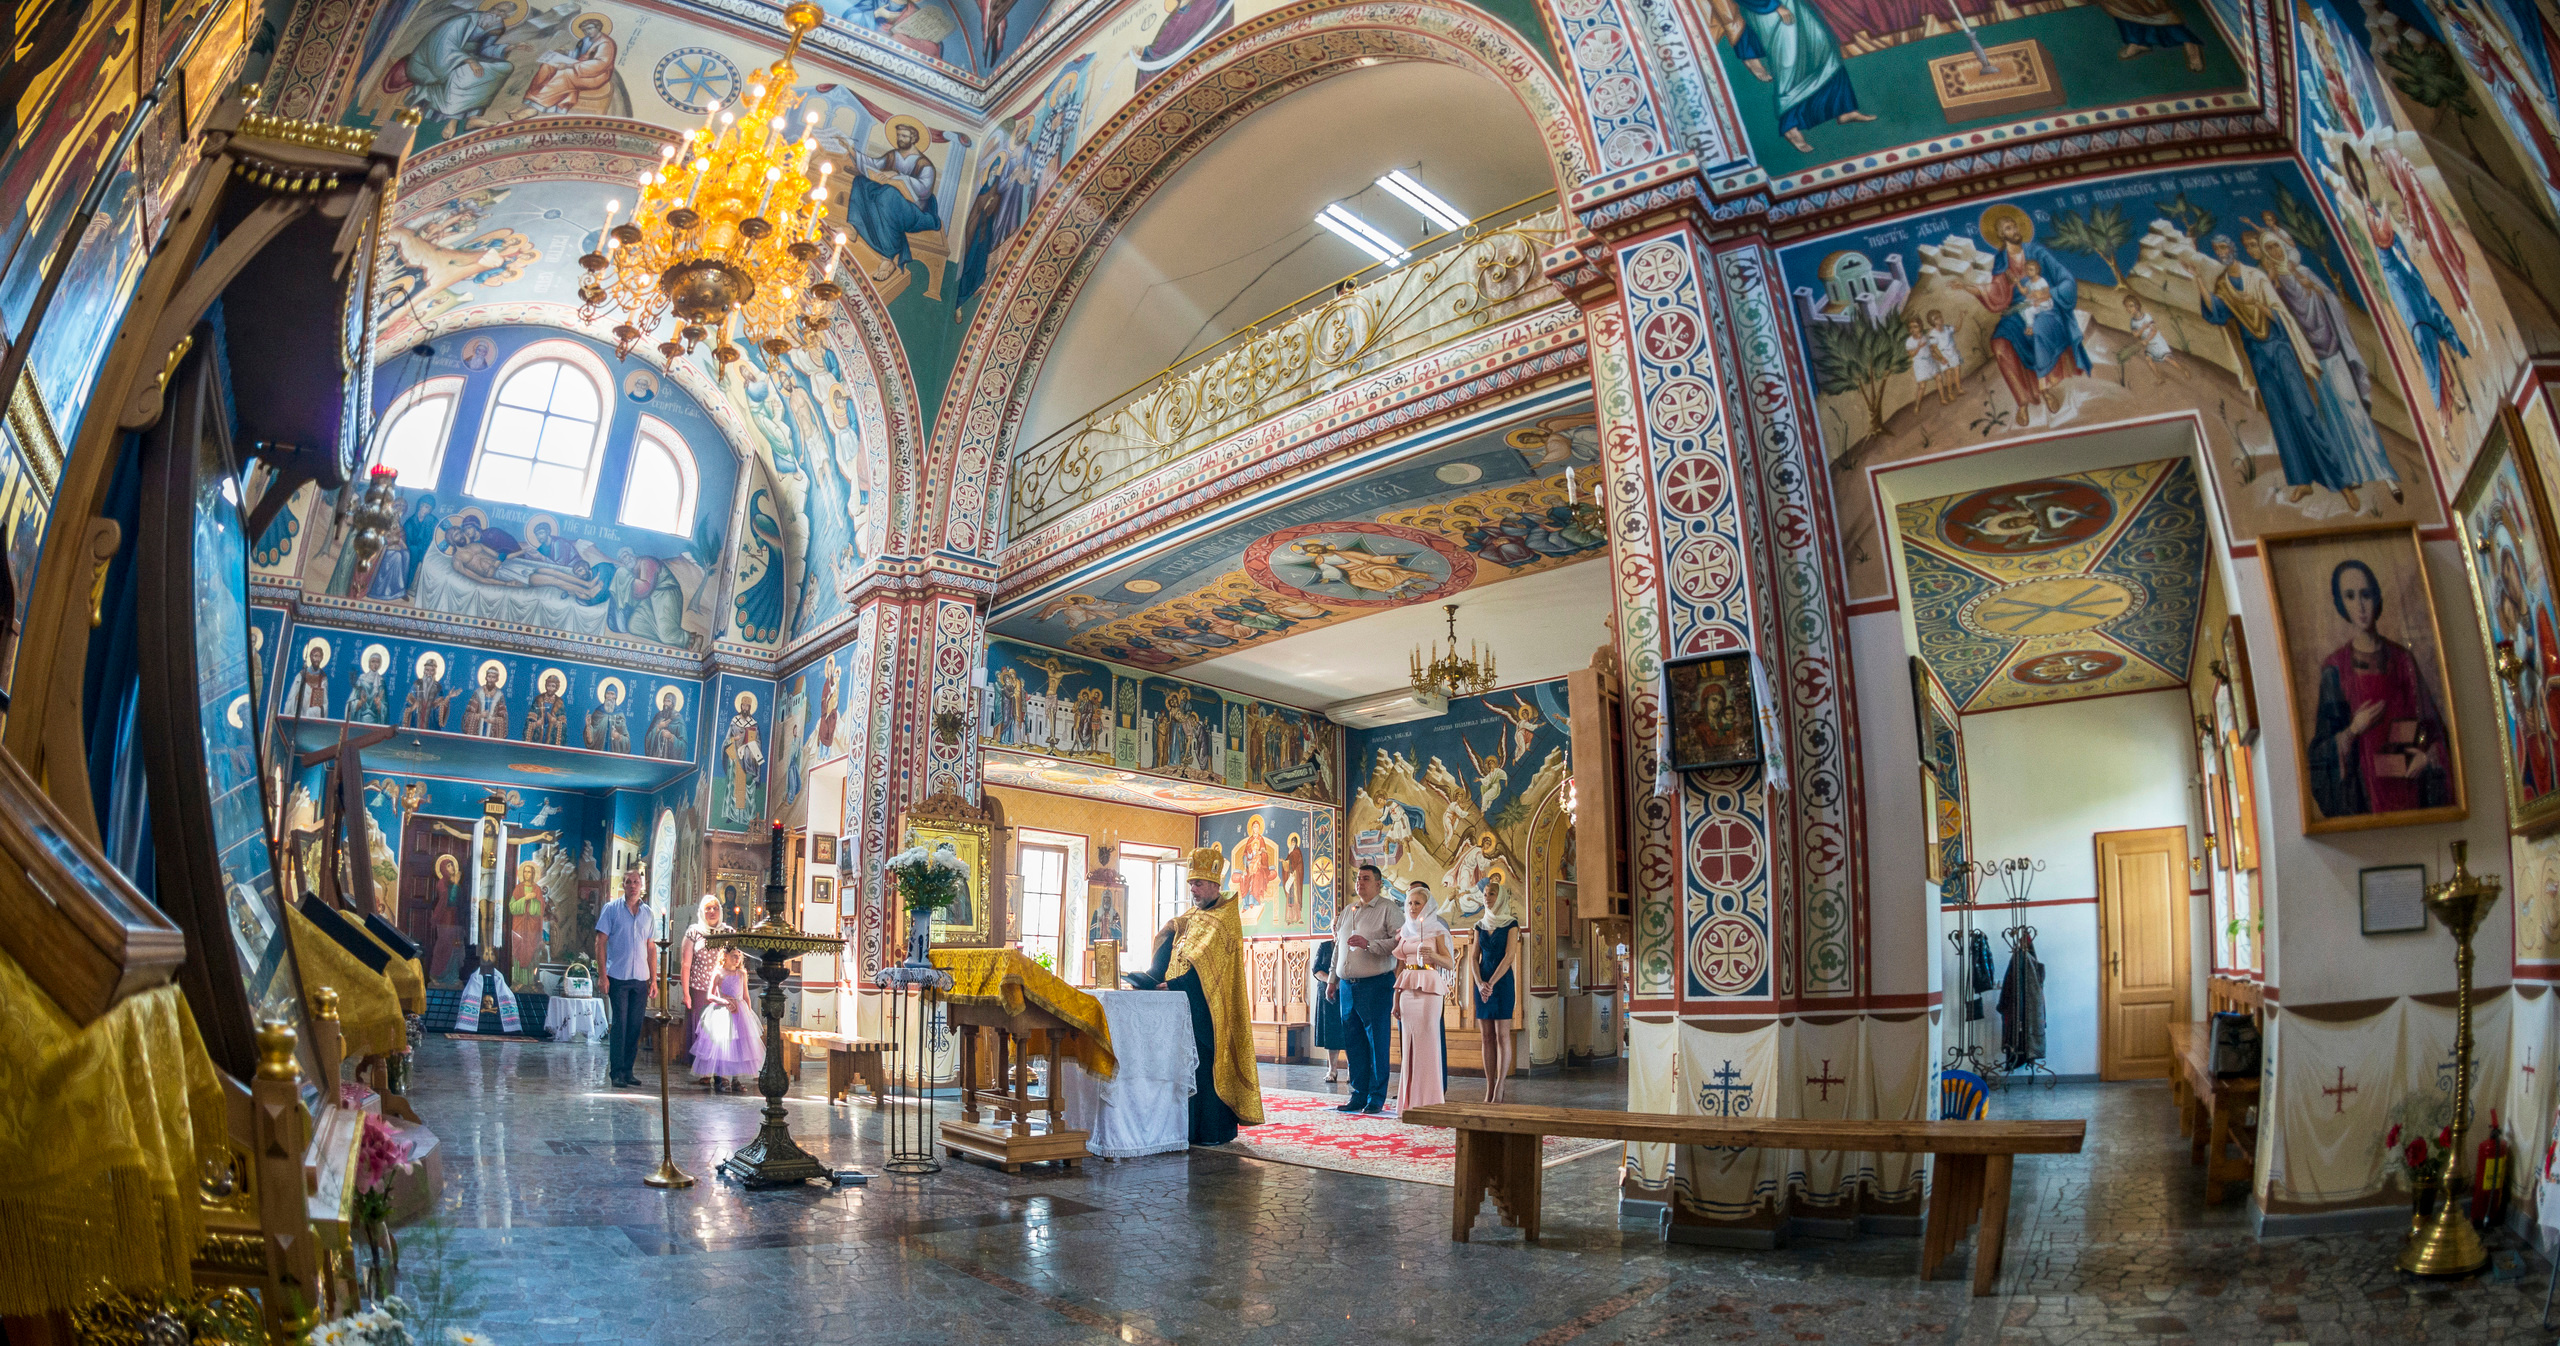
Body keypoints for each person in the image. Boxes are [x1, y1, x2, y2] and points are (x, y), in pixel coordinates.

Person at [1124, 844, 1264, 1143]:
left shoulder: (1225, 918)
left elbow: (1210, 966)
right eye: (1191, 885)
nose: (1193, 890)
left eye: (1198, 884)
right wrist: (1154, 977)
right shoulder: (1189, 917)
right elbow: (1175, 946)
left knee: (1205, 1067)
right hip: (1177, 1005)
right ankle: (1183, 1129)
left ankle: (1211, 1131)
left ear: (1215, 884)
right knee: (1182, 1069)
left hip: (1206, 1008)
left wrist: (1176, 985)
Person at [2308, 559, 2455, 818]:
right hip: (2366, 797)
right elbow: (2321, 751)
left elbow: (2428, 728)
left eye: (2366, 594)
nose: (2361, 605)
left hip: (2411, 788)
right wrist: (2354, 729)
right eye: (2351, 597)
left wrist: (2425, 755)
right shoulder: (2335, 668)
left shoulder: (2402, 660)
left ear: (2376, 597)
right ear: (2342, 604)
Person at [1327, 863, 1400, 1115]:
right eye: (1358, 878)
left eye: (1366, 879)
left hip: (1376, 985)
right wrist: (1332, 980)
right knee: (1354, 1042)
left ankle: (1376, 1097)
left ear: (1379, 883)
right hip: (1347, 986)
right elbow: (1339, 947)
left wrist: (1369, 944)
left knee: (1377, 1042)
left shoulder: (1388, 909)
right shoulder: (1349, 910)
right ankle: (1357, 1095)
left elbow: (1399, 943)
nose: (1360, 883)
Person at [1392, 884, 1453, 1116]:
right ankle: (1408, 1103)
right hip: (1406, 990)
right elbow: (1399, 968)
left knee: (1428, 1044)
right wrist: (1395, 1000)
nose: (1413, 907)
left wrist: (1433, 955)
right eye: (1410, 903)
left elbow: (1448, 963)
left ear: (1427, 906)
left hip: (1429, 989)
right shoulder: (1404, 931)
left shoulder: (1436, 930)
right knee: (1408, 1045)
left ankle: (1431, 1102)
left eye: (1418, 903)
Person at [593, 869, 657, 1089]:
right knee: (620, 1024)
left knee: (635, 1026)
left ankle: (628, 1071)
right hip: (617, 977)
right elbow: (600, 943)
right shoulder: (611, 910)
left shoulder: (648, 914)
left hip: (640, 979)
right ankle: (616, 1072)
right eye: (628, 882)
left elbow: (651, 948)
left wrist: (654, 980)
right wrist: (603, 975)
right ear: (623, 885)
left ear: (642, 885)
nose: (632, 885)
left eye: (636, 882)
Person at [1471, 887, 1524, 1103]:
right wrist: (1479, 982)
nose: (1487, 897)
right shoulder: (1479, 925)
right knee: (1486, 1037)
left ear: (1500, 897)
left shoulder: (1511, 923)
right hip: (1481, 982)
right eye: (1485, 894)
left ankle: (1501, 1085)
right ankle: (1489, 1086)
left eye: (1491, 894)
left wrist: (1490, 983)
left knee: (1502, 1035)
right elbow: (1474, 957)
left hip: (1501, 983)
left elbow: (1510, 956)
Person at [689, 947, 762, 1092]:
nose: (737, 959)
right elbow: (710, 995)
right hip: (723, 1011)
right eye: (734, 956)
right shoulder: (719, 972)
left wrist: (748, 1010)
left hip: (739, 1012)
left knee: (739, 1046)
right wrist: (724, 1001)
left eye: (739, 956)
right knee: (723, 1046)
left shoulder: (741, 973)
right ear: (725, 956)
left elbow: (745, 995)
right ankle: (722, 1078)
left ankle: (736, 1079)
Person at [677, 894, 729, 1075]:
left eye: (715, 908)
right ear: (702, 911)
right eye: (708, 908)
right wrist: (686, 993)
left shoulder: (728, 932)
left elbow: (735, 960)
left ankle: (722, 1072)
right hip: (699, 989)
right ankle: (704, 1072)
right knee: (703, 1032)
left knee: (722, 1031)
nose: (712, 911)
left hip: (723, 991)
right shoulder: (694, 931)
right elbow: (685, 965)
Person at [1310, 932, 1347, 1084]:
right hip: (1328, 994)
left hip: (1346, 991)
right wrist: (1331, 982)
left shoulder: (1349, 945)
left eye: (1339, 927)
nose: (1337, 930)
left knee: (1349, 1032)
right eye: (1334, 927)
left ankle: (1352, 1071)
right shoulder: (1325, 946)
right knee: (1331, 1033)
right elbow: (1316, 969)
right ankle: (1332, 1069)